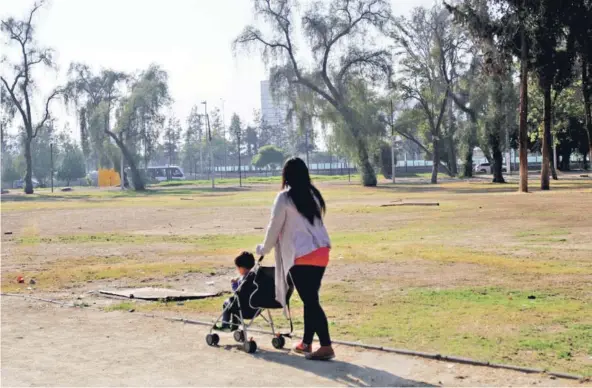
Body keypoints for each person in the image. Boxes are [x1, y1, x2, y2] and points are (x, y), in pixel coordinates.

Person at [256, 157, 334, 361]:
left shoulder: (284, 198)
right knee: (310, 300)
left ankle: (326, 345)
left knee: (310, 301)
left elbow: (274, 227)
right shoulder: (313, 195)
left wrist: (263, 249)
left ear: (286, 175)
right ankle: (307, 342)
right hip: (321, 252)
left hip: (302, 255)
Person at [215, 251, 255, 331]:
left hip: (244, 309)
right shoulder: (255, 276)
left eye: (238, 268)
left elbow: (237, 291)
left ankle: (225, 325)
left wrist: (233, 283)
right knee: (236, 303)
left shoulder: (243, 280)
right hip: (255, 308)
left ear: (242, 268)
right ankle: (235, 325)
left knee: (228, 303)